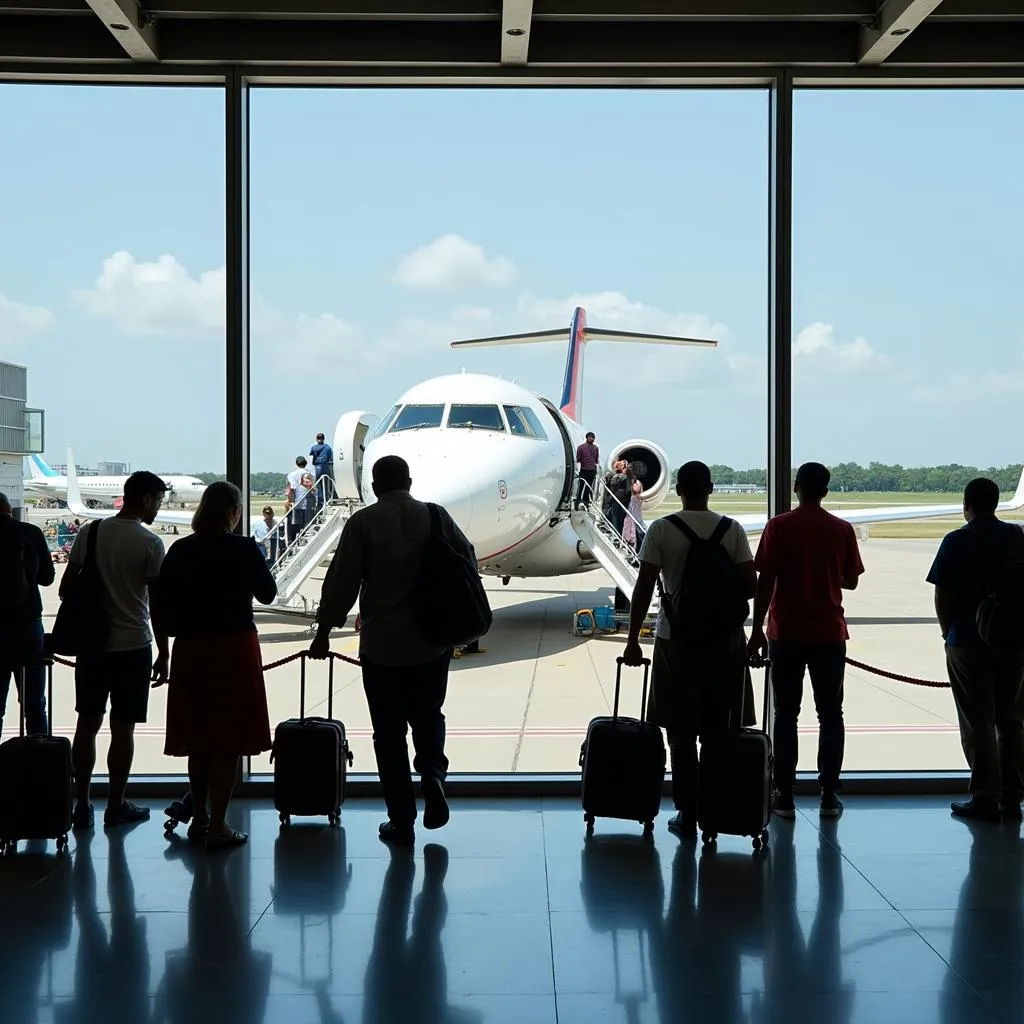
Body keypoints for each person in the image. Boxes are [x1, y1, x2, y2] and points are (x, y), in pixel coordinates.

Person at [309, 455, 472, 847]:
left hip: (382, 648)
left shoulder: (363, 523)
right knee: (429, 716)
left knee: (388, 734)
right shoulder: (436, 516)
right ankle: (432, 774)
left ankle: (401, 820)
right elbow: (465, 560)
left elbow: (342, 583)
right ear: (410, 481)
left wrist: (324, 631)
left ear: (375, 486)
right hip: (431, 643)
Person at [623, 461, 756, 840]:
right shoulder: (732, 530)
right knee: (720, 728)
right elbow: (750, 586)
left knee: (680, 732)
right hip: (725, 641)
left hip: (675, 640)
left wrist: (634, 640)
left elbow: (644, 589)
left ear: (678, 489)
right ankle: (718, 808)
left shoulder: (662, 530)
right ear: (710, 489)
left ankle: (688, 812)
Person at [156, 481, 277, 848]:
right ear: (234, 512)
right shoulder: (242, 548)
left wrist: (162, 651)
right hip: (233, 647)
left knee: (198, 736)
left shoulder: (179, 550)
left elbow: (161, 607)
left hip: (191, 647)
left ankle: (201, 818)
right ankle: (219, 824)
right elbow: (268, 593)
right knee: (228, 739)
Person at [748, 461, 864, 820]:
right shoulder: (841, 529)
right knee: (831, 714)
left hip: (787, 633)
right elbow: (852, 581)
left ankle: (784, 794)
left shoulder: (778, 527)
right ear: (826, 491)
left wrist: (756, 631)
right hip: (829, 633)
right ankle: (829, 795)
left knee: (787, 714)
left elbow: (764, 582)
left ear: (796, 487)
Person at [63, 471, 169, 830]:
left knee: (86, 724)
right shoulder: (150, 543)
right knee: (123, 731)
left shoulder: (90, 532)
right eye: (158, 499)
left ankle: (81, 804)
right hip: (133, 647)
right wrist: (165, 652)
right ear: (145, 499)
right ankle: (116, 804)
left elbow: (66, 588)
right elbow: (158, 605)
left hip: (93, 646)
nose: (159, 506)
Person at [926, 477, 1024, 822]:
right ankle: (1013, 798)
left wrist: (946, 633)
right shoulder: (1016, 537)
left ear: (966, 505)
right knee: (1011, 720)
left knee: (977, 721)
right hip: (1013, 641)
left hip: (967, 640)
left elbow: (942, 595)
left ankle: (984, 797)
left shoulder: (957, 541)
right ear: (996, 504)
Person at [0, 492, 54, 737]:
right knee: (34, 705)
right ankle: (39, 764)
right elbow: (47, 578)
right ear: (9, 510)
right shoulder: (30, 533)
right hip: (27, 625)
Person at [286, 456, 312, 544]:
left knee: (294, 526)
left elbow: (291, 489)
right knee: (307, 525)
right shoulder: (311, 474)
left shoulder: (292, 475)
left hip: (297, 503)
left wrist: (291, 501)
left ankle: (293, 542)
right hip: (309, 503)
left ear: (297, 464)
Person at [575, 431, 600, 509]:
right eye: (590, 437)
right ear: (587, 438)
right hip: (588, 469)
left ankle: (581, 500)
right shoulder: (594, 448)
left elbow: (578, 459)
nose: (592, 439)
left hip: (587, 469)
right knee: (585, 486)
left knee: (585, 486)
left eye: (593, 437)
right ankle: (583, 500)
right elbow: (596, 460)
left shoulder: (581, 447)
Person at [309, 432, 335, 503]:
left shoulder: (314, 447)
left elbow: (312, 455)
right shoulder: (327, 447)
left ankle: (321, 502)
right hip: (326, 467)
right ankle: (327, 499)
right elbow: (331, 458)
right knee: (326, 484)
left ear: (317, 439)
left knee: (319, 485)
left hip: (317, 467)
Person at [622, 477, 647, 552]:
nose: (635, 485)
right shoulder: (637, 498)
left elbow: (633, 511)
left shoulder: (635, 498)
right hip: (635, 521)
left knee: (638, 538)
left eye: (637, 484)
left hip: (635, 521)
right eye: (634, 484)